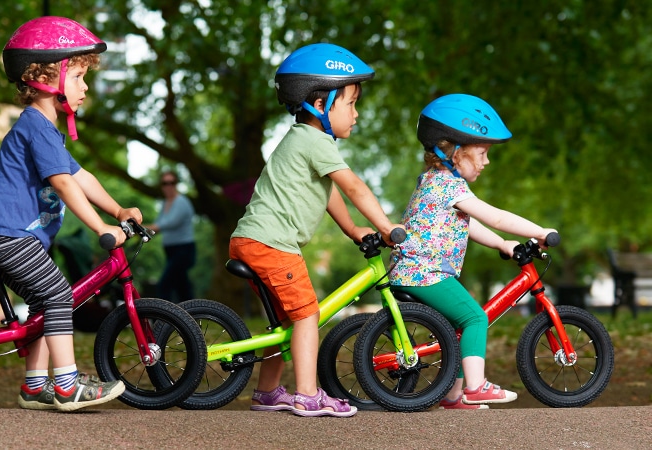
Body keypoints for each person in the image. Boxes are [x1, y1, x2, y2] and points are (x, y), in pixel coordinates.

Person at [0, 16, 143, 412]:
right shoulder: (35, 126)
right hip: (3, 234)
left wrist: (117, 209)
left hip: (9, 235)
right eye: (78, 76)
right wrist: (101, 228)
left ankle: (34, 387)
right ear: (48, 76)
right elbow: (64, 184)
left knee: (46, 305)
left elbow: (81, 175)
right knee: (59, 294)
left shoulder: (45, 130)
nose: (85, 86)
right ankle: (66, 385)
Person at [229, 43, 403, 418]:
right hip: (272, 244)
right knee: (307, 314)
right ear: (321, 106)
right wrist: (386, 226)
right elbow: (353, 186)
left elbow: (329, 194)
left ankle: (267, 391)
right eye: (352, 103)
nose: (357, 114)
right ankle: (308, 395)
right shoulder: (314, 140)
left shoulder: (303, 141)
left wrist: (354, 228)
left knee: (285, 321)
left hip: (253, 240)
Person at [389, 93, 557, 410]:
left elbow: (467, 224)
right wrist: (539, 231)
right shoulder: (451, 185)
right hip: (424, 274)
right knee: (475, 318)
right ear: (453, 150)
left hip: (411, 270)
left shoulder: (433, 180)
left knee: (455, 329)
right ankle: (476, 387)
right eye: (482, 152)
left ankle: (452, 396)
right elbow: (493, 216)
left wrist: (501, 243)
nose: (487, 161)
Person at [147, 171, 196, 303]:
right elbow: (157, 224)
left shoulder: (182, 202)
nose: (168, 186)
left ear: (176, 184)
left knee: (165, 284)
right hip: (171, 251)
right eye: (165, 183)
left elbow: (168, 223)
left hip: (183, 251)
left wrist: (141, 227)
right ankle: (192, 318)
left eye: (171, 183)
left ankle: (164, 320)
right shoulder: (164, 203)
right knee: (183, 288)